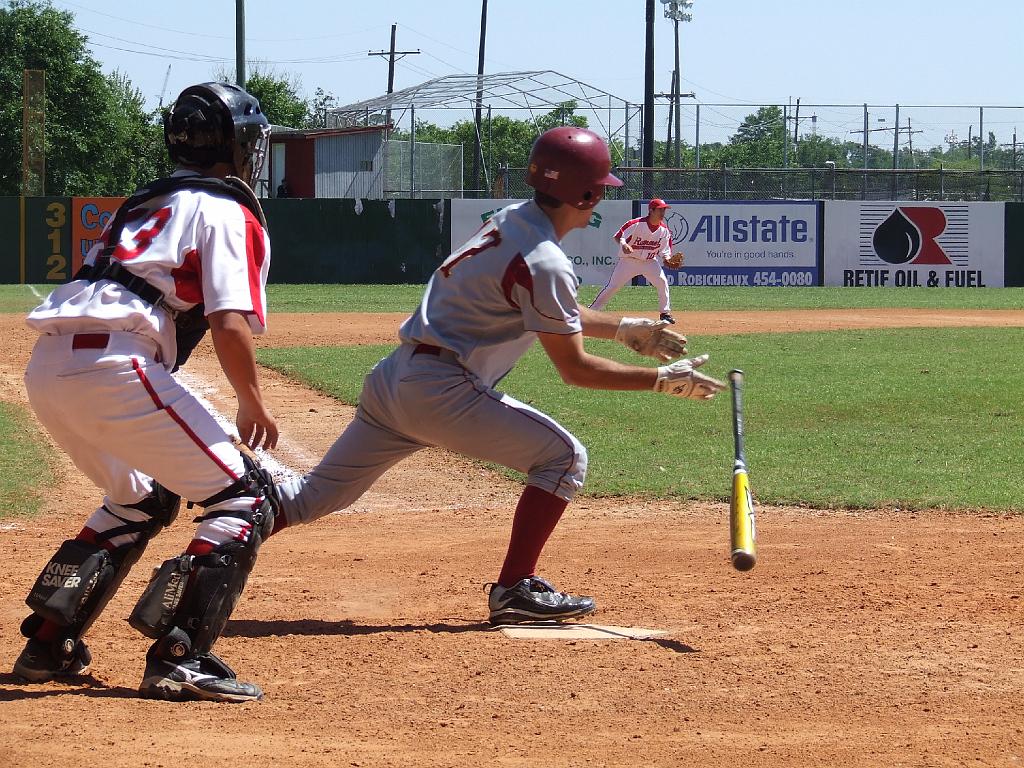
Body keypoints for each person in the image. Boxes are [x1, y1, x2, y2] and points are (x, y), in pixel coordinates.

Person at [263, 127, 725, 625]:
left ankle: (220, 538)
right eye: (599, 191)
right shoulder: (546, 261)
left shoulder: (514, 220)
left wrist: (626, 329)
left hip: (395, 379)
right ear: (585, 194)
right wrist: (660, 380)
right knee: (563, 459)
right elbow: (575, 369)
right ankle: (514, 588)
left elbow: (550, 308)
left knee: (311, 497)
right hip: (443, 392)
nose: (599, 203)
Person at [13, 82, 280, 703]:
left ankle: (48, 643)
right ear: (237, 147)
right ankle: (181, 656)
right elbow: (228, 320)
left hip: (51, 367)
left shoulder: (140, 203)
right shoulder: (224, 209)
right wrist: (251, 400)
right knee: (244, 498)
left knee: (136, 499)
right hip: (114, 366)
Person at [591, 198, 677, 324]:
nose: (663, 212)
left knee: (662, 282)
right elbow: (619, 236)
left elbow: (665, 250)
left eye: (664, 209)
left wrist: (667, 259)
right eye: (660, 209)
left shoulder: (664, 231)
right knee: (613, 286)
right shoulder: (636, 224)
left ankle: (665, 313)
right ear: (651, 210)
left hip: (649, 262)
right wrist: (624, 245)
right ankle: (592, 311)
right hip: (629, 261)